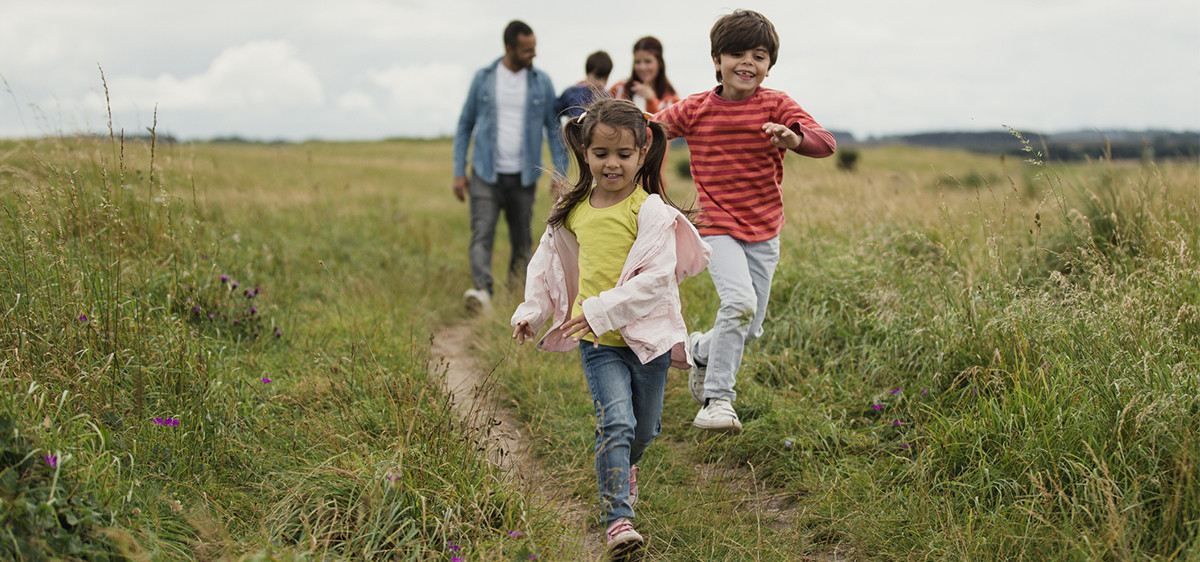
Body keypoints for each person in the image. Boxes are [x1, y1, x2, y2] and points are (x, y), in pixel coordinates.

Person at [511, 99, 710, 557]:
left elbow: (658, 279)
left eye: (623, 154)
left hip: (648, 340)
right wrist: (530, 310)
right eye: (601, 153)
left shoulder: (652, 212)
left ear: (642, 154)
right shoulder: (573, 209)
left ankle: (624, 466)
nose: (612, 163)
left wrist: (602, 309)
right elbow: (546, 266)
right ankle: (618, 519)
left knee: (645, 430)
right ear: (585, 152)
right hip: (597, 340)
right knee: (616, 422)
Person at [654, 9, 836, 434]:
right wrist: (602, 123)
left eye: (758, 55)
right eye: (736, 54)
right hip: (716, 223)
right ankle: (719, 401)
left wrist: (794, 138)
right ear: (717, 60)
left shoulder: (777, 104)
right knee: (738, 305)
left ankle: (698, 349)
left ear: (769, 64)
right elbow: (649, 129)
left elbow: (825, 142)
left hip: (764, 229)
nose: (747, 64)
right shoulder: (697, 108)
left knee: (749, 327)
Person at [453, 20, 568, 314]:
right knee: (482, 233)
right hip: (485, 173)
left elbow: (553, 130)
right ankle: (482, 293)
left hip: (524, 176)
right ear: (509, 48)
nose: (533, 55)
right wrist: (459, 170)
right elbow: (466, 124)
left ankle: (516, 294)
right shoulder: (484, 78)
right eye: (527, 50)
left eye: (534, 49)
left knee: (522, 238)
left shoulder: (542, 82)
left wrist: (559, 173)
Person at [608, 36, 679, 114]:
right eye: (637, 62)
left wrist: (651, 100)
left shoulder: (673, 100)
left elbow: (665, 124)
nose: (642, 67)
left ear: (659, 62)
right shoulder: (619, 89)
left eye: (648, 61)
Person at [554, 50, 613, 120]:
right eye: (597, 77)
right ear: (587, 74)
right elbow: (555, 110)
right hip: (573, 128)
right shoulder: (572, 92)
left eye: (605, 78)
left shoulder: (606, 98)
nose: (601, 83)